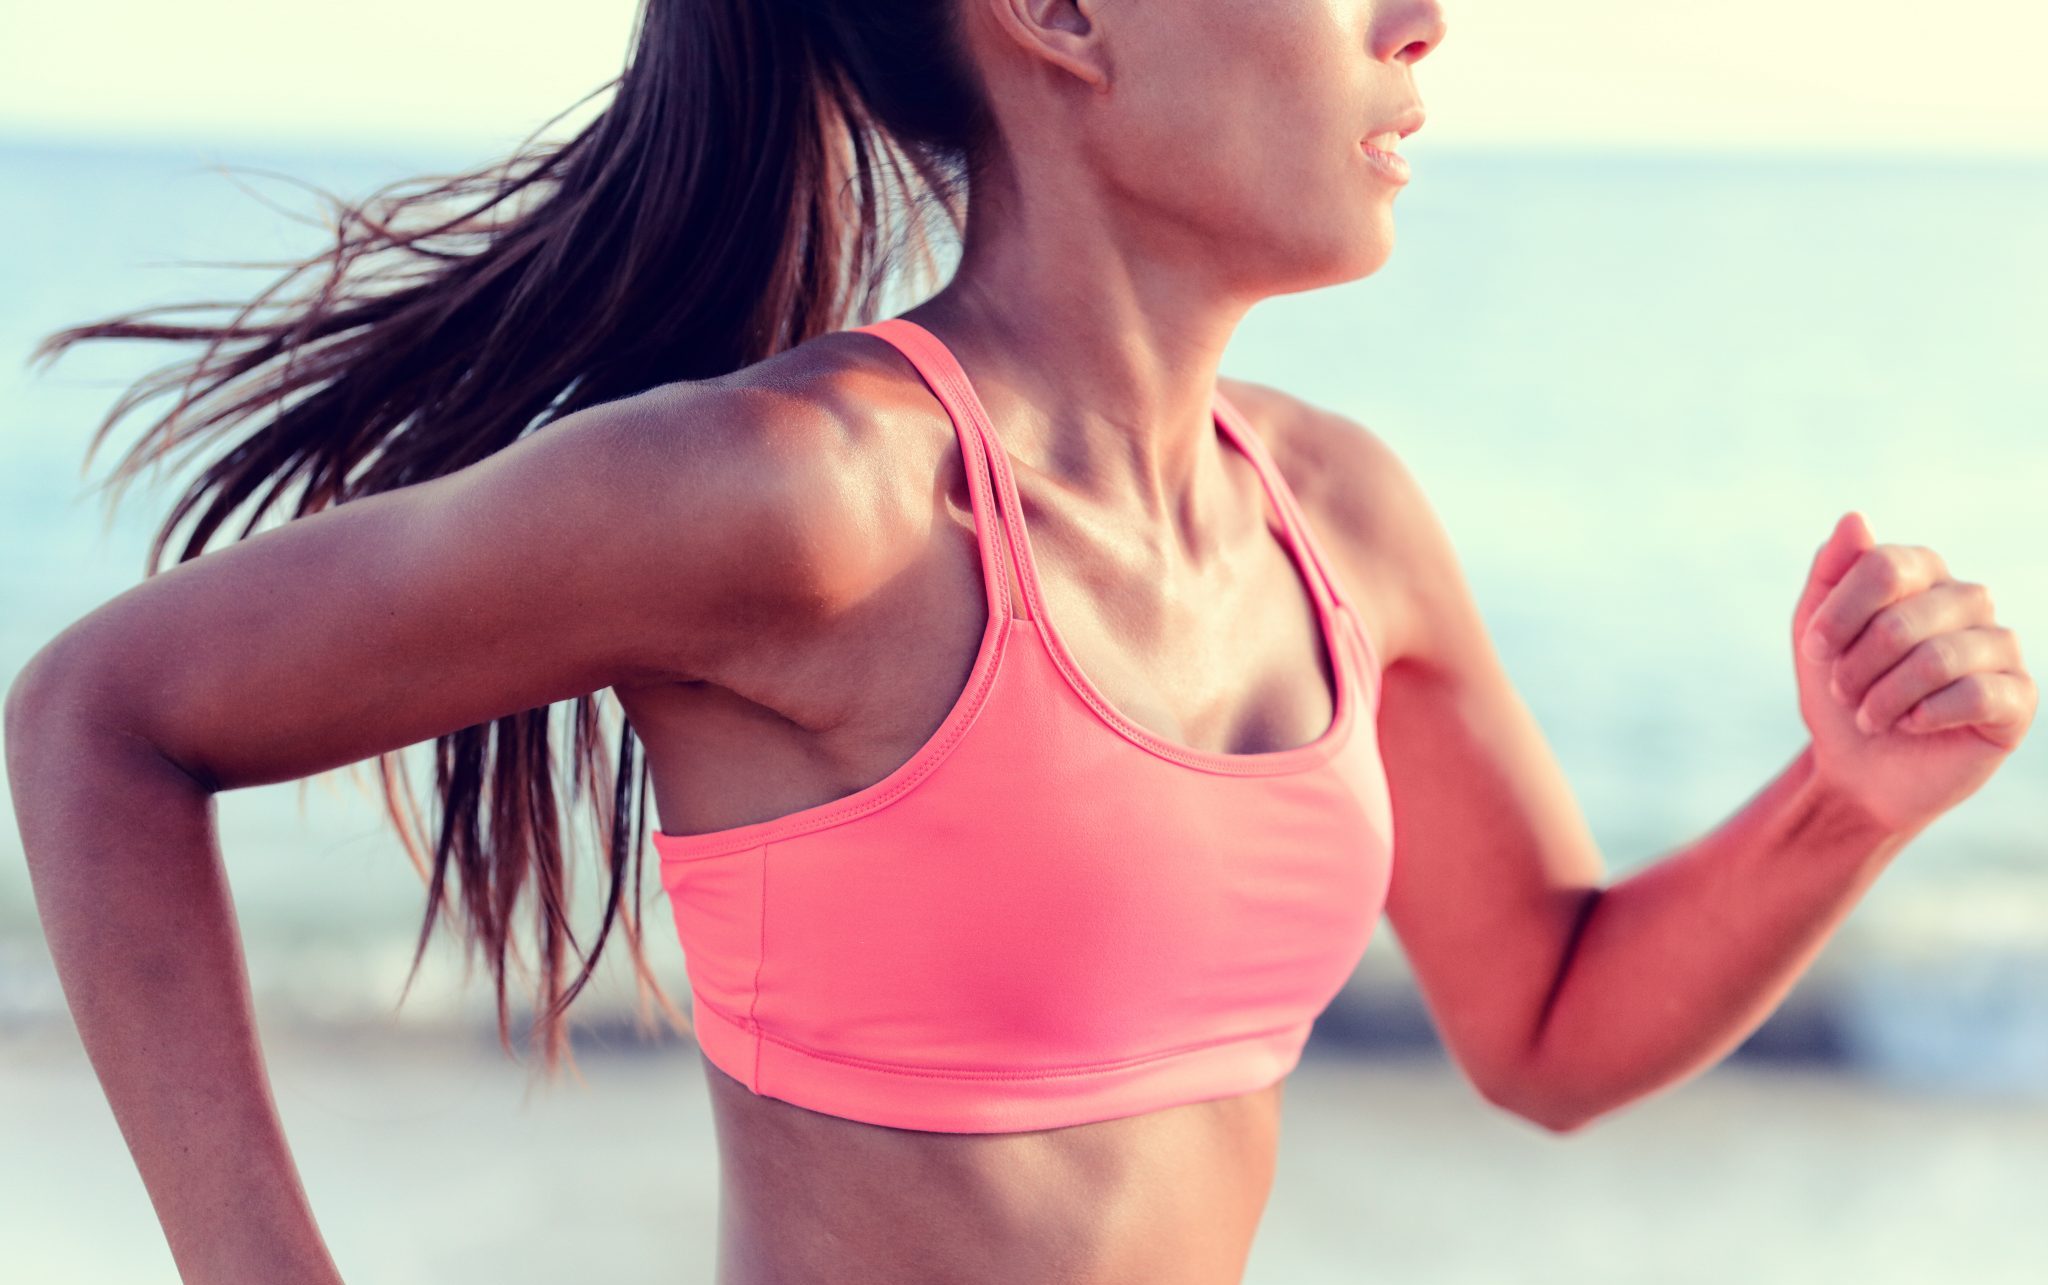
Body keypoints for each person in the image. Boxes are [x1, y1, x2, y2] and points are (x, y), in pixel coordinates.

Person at [6, 2, 2035, 1283]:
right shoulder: (812, 496)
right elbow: (105, 713)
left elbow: (1552, 1033)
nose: (1424, 19)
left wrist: (1844, 799)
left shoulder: (1338, 519)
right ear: (1060, 16)